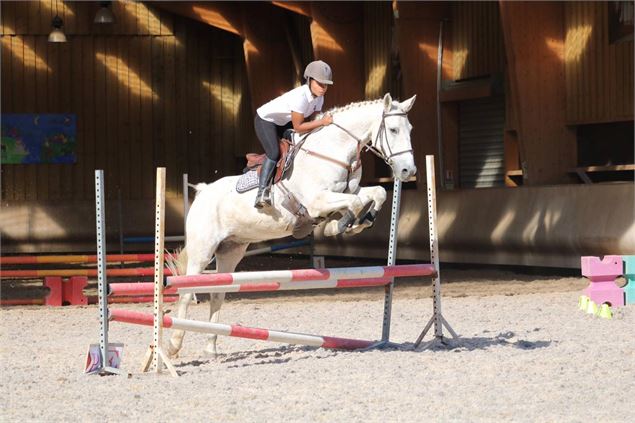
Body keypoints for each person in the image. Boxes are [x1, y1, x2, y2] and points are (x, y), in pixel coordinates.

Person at [253, 60, 334, 208]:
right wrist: (322, 122)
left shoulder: (319, 97)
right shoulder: (300, 97)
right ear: (309, 80)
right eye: (320, 84)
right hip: (266, 121)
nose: (323, 88)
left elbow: (313, 120)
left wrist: (323, 124)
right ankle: (261, 192)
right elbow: (299, 126)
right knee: (274, 152)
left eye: (326, 85)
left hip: (285, 122)